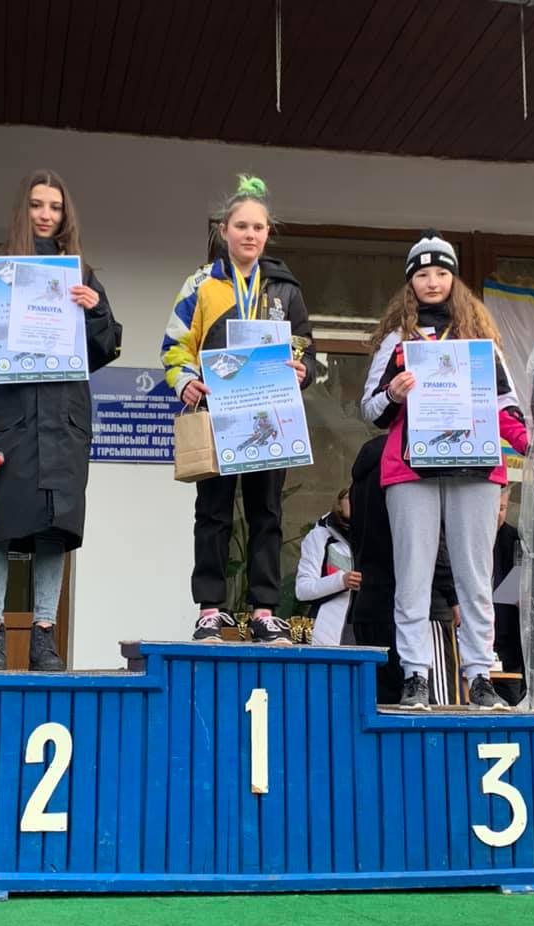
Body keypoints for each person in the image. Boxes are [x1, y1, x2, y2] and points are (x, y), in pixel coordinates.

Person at [0, 169, 119, 672]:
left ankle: (43, 633)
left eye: (55, 207)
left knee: (55, 528)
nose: (45, 215)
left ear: (65, 215)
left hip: (63, 423)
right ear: (24, 210)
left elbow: (103, 349)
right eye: (37, 205)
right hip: (7, 418)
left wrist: (95, 311)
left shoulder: (80, 275)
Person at [360, 230, 534, 709]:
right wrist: (394, 394)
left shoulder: (479, 341)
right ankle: (415, 675)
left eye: (441, 272)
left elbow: (505, 405)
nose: (432, 281)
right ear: (410, 282)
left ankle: (480, 675)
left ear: (453, 279)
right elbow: (369, 409)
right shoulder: (397, 340)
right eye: (423, 274)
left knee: (475, 577)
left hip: (475, 466)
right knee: (413, 576)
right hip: (411, 470)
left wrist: (528, 445)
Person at [161, 174, 316, 643]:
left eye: (259, 227)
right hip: (218, 414)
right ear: (223, 230)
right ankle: (211, 610)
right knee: (213, 513)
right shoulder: (201, 284)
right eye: (242, 226)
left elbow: (306, 349)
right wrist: (185, 381)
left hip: (268, 415)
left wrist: (303, 370)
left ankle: (264, 611)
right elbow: (175, 345)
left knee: (267, 512)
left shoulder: (285, 289)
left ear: (268, 234)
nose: (250, 235)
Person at [348, 435, 461, 705]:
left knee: (381, 709)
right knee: (433, 707)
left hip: (369, 606)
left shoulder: (362, 477)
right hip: (425, 608)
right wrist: (454, 595)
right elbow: (432, 541)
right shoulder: (414, 465)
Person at [295, 488, 360, 645]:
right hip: (327, 635)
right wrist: (341, 581)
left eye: (360, 496)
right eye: (349, 497)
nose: (355, 500)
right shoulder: (320, 536)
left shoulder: (380, 538)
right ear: (339, 503)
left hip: (370, 632)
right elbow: (302, 590)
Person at [492, 484, 526, 705]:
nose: (498, 514)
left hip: (507, 646)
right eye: (494, 507)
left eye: (502, 508)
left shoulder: (515, 540)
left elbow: (512, 595)